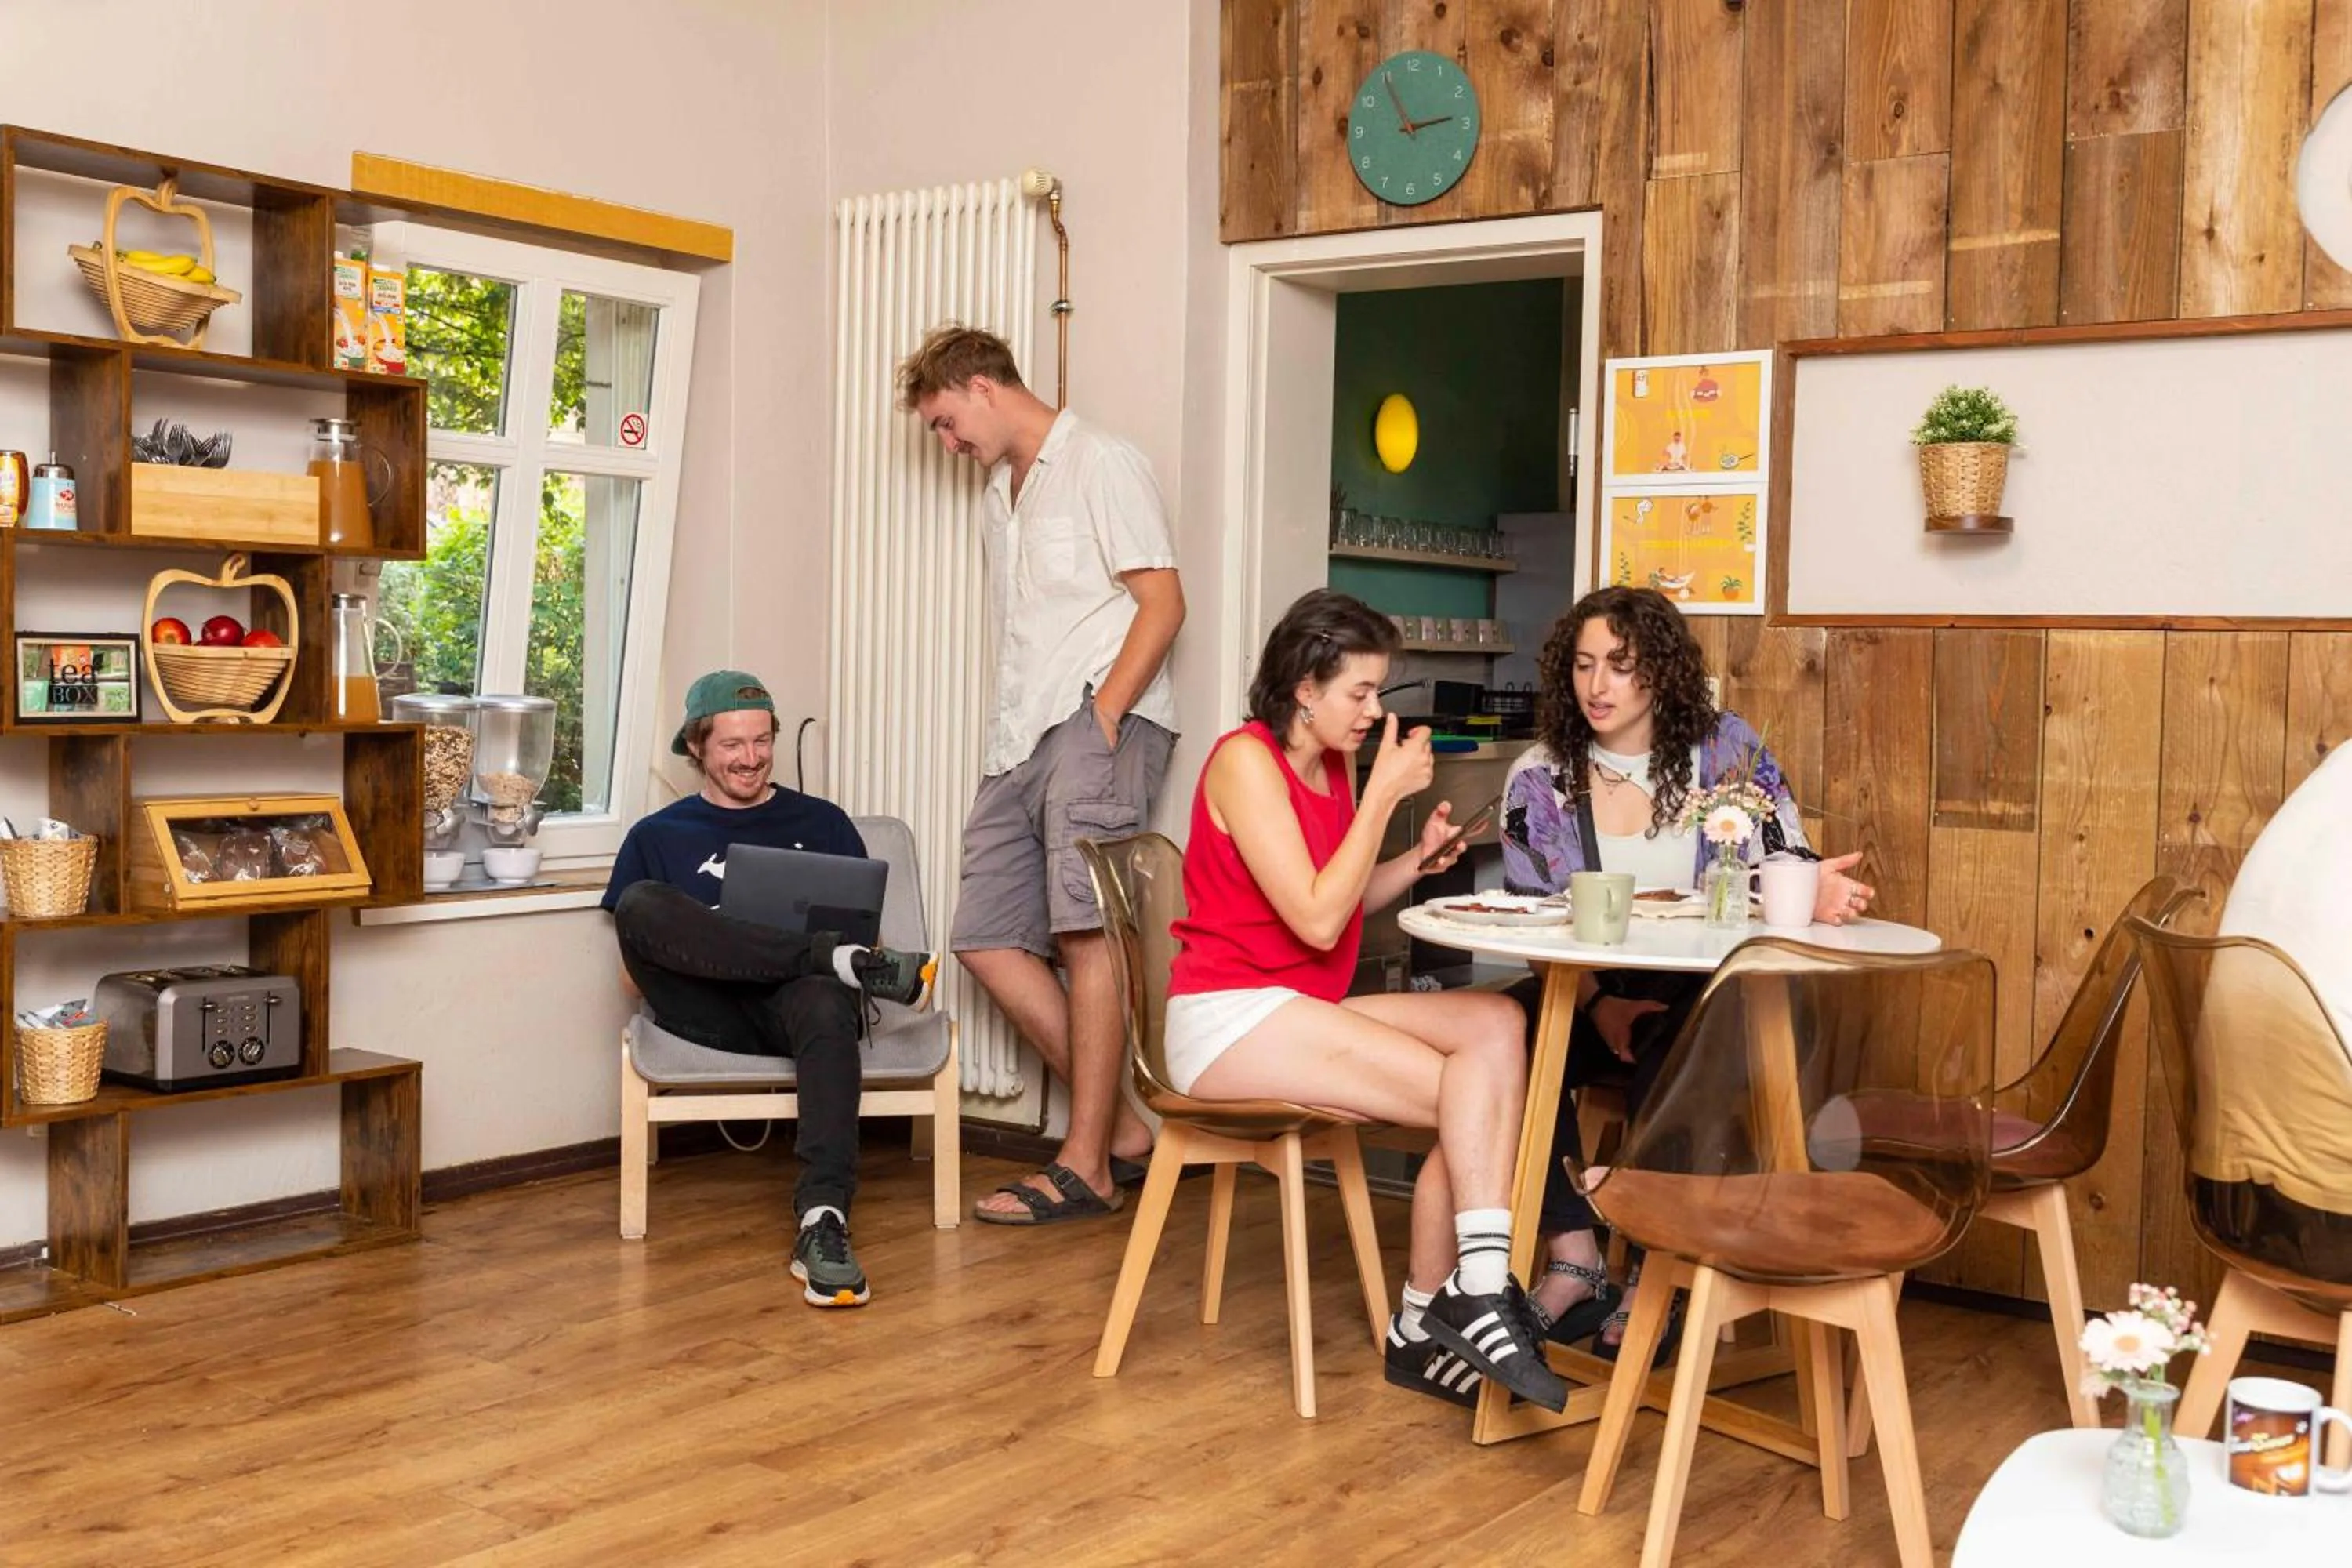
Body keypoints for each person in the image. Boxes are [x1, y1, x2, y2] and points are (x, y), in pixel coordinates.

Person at [1165, 589, 1567, 1414]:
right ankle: (1461, 1298)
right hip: (1228, 1016)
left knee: (1498, 1022)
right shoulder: (1245, 762)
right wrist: (1384, 795)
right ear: (1305, 688)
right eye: (1360, 692)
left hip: (1299, 1002)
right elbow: (1316, 918)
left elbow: (1336, 900)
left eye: (1377, 691)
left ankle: (1436, 1313)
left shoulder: (1334, 763)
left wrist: (1414, 862)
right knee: (1474, 1100)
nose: (1373, 711)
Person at [1500, 586, 1875, 1360]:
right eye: (1583, 665)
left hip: (1717, 994)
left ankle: (1655, 1266)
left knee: (1684, 1041)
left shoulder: (1726, 748)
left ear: (1662, 671)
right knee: (1507, 1031)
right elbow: (1536, 922)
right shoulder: (1540, 777)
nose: (1598, 685)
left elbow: (1786, 861)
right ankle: (1573, 1253)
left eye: (1620, 665)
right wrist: (1597, 1005)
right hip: (1590, 989)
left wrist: (1811, 888)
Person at [898, 324, 1184, 1226]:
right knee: (983, 934)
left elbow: (1163, 602)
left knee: (1086, 931)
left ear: (981, 386)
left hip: (1095, 720)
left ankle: (1083, 1162)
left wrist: (1105, 715)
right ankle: (1124, 1129)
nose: (949, 443)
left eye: (946, 422)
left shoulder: (1102, 461)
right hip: (1019, 736)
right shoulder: (1000, 496)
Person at [604, 670, 938, 1309]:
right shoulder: (656, 836)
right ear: (696, 745)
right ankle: (831, 958)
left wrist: (811, 965)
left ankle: (823, 1220)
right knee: (642, 903)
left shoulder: (824, 822)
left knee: (824, 996)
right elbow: (630, 975)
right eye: (732, 744)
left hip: (800, 1010)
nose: (751, 758)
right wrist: (741, 946)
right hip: (704, 1012)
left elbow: (861, 936)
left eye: (762, 741)